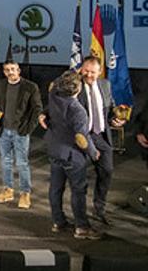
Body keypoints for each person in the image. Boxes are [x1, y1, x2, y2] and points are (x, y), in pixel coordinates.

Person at [45, 71, 102, 240]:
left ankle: (58, 222)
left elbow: (55, 82)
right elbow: (81, 138)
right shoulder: (78, 110)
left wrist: (72, 74)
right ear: (78, 89)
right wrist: (93, 152)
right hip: (72, 155)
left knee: (55, 189)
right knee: (78, 191)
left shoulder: (53, 94)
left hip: (54, 150)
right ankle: (82, 227)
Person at [0, 60, 42, 209]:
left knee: (22, 163)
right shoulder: (0, 85)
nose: (10, 72)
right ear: (4, 72)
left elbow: (37, 109)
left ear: (19, 70)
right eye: (7, 70)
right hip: (3, 131)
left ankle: (25, 193)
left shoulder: (30, 87)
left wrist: (28, 128)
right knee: (5, 161)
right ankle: (8, 190)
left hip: (20, 131)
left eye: (13, 69)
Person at [76, 56, 121, 225]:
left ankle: (99, 209)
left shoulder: (105, 85)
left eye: (92, 72)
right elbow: (60, 103)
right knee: (79, 177)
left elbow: (109, 109)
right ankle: (79, 214)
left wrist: (114, 119)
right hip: (81, 138)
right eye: (85, 71)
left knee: (107, 172)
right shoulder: (76, 85)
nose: (88, 75)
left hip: (101, 136)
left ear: (100, 71)